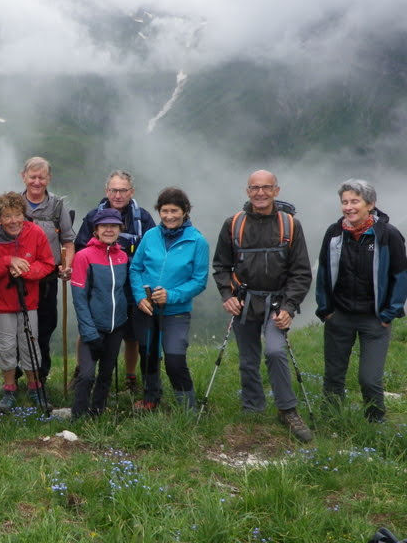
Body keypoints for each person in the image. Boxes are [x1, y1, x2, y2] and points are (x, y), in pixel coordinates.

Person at [212, 170, 313, 442]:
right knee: (248, 358)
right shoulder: (233, 224)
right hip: (244, 302)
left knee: (276, 351)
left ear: (276, 191)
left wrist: (289, 307)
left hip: (277, 303)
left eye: (266, 187)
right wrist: (227, 295)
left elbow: (301, 272)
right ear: (248, 191)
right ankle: (253, 408)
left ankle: (287, 410)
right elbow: (221, 266)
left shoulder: (290, 225)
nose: (260, 193)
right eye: (255, 188)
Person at [316, 179, 407, 423]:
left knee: (369, 378)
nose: (348, 207)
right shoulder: (334, 233)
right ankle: (331, 420)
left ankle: (374, 422)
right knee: (334, 375)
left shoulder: (388, 235)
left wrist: (389, 314)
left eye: (355, 201)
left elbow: (400, 276)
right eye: (344, 202)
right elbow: (323, 272)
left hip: (374, 319)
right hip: (339, 316)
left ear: (370, 204)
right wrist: (326, 310)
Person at [129, 187, 209, 412]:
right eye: (164, 211)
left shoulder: (197, 241)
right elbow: (135, 268)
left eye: (174, 211)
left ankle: (188, 409)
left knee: (175, 359)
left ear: (185, 211)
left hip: (177, 311)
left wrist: (171, 295)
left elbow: (199, 281)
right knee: (148, 355)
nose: (169, 216)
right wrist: (139, 297)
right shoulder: (150, 236)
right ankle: (151, 399)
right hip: (147, 308)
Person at [75, 170, 155, 393]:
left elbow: (152, 250)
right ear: (106, 191)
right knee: (88, 328)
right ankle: (82, 373)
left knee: (131, 334)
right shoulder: (93, 216)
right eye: (113, 190)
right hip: (98, 286)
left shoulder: (143, 218)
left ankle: (130, 377)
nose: (118, 195)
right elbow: (81, 248)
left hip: (132, 286)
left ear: (131, 192)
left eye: (122, 190)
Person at [0, 192, 56, 411]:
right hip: (2, 303)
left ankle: (35, 387)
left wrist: (26, 270)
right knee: (6, 347)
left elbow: (47, 263)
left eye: (17, 214)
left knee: (30, 343)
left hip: (29, 301)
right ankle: (9, 388)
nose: (14, 220)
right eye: (7, 216)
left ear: (24, 215)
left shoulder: (35, 233)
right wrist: (7, 261)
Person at [20, 157, 75, 384]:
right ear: (23, 177)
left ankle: (40, 377)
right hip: (20, 279)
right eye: (32, 177)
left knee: (45, 326)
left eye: (41, 177)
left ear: (49, 179)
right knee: (18, 326)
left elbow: (68, 241)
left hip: (47, 279)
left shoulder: (58, 206)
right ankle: (15, 374)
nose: (37, 182)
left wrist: (67, 266)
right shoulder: (14, 204)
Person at [70, 208, 128, 418]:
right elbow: (79, 298)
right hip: (92, 327)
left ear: (120, 229)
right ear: (95, 229)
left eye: (114, 226)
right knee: (86, 375)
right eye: (104, 226)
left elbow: (123, 291)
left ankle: (97, 413)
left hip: (117, 326)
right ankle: (78, 416)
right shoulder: (83, 256)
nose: (109, 230)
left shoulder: (123, 256)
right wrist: (89, 332)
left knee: (106, 373)